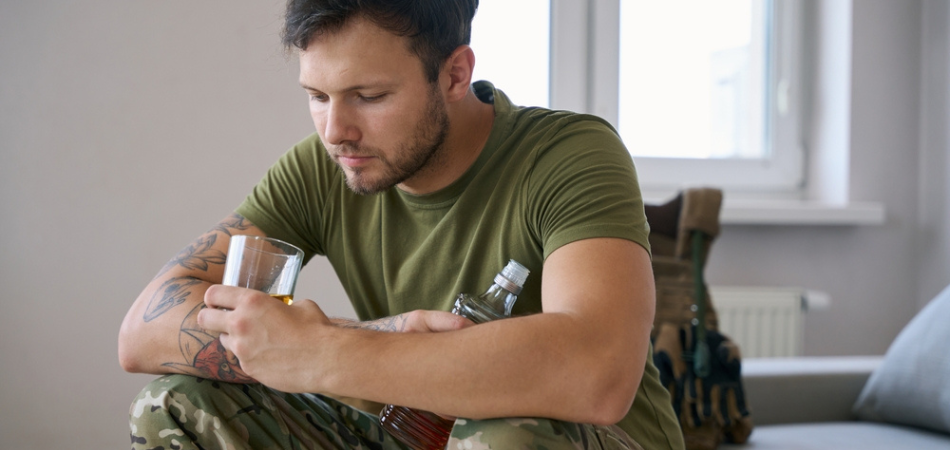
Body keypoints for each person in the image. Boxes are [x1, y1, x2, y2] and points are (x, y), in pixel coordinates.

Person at [118, 0, 685, 448]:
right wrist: (371, 335)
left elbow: (598, 371)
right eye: (317, 95)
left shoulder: (569, 153)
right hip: (407, 434)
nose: (335, 130)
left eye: (368, 96)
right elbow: (143, 331)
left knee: (498, 436)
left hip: (579, 440)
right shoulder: (323, 167)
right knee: (174, 404)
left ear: (455, 73)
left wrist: (321, 354)